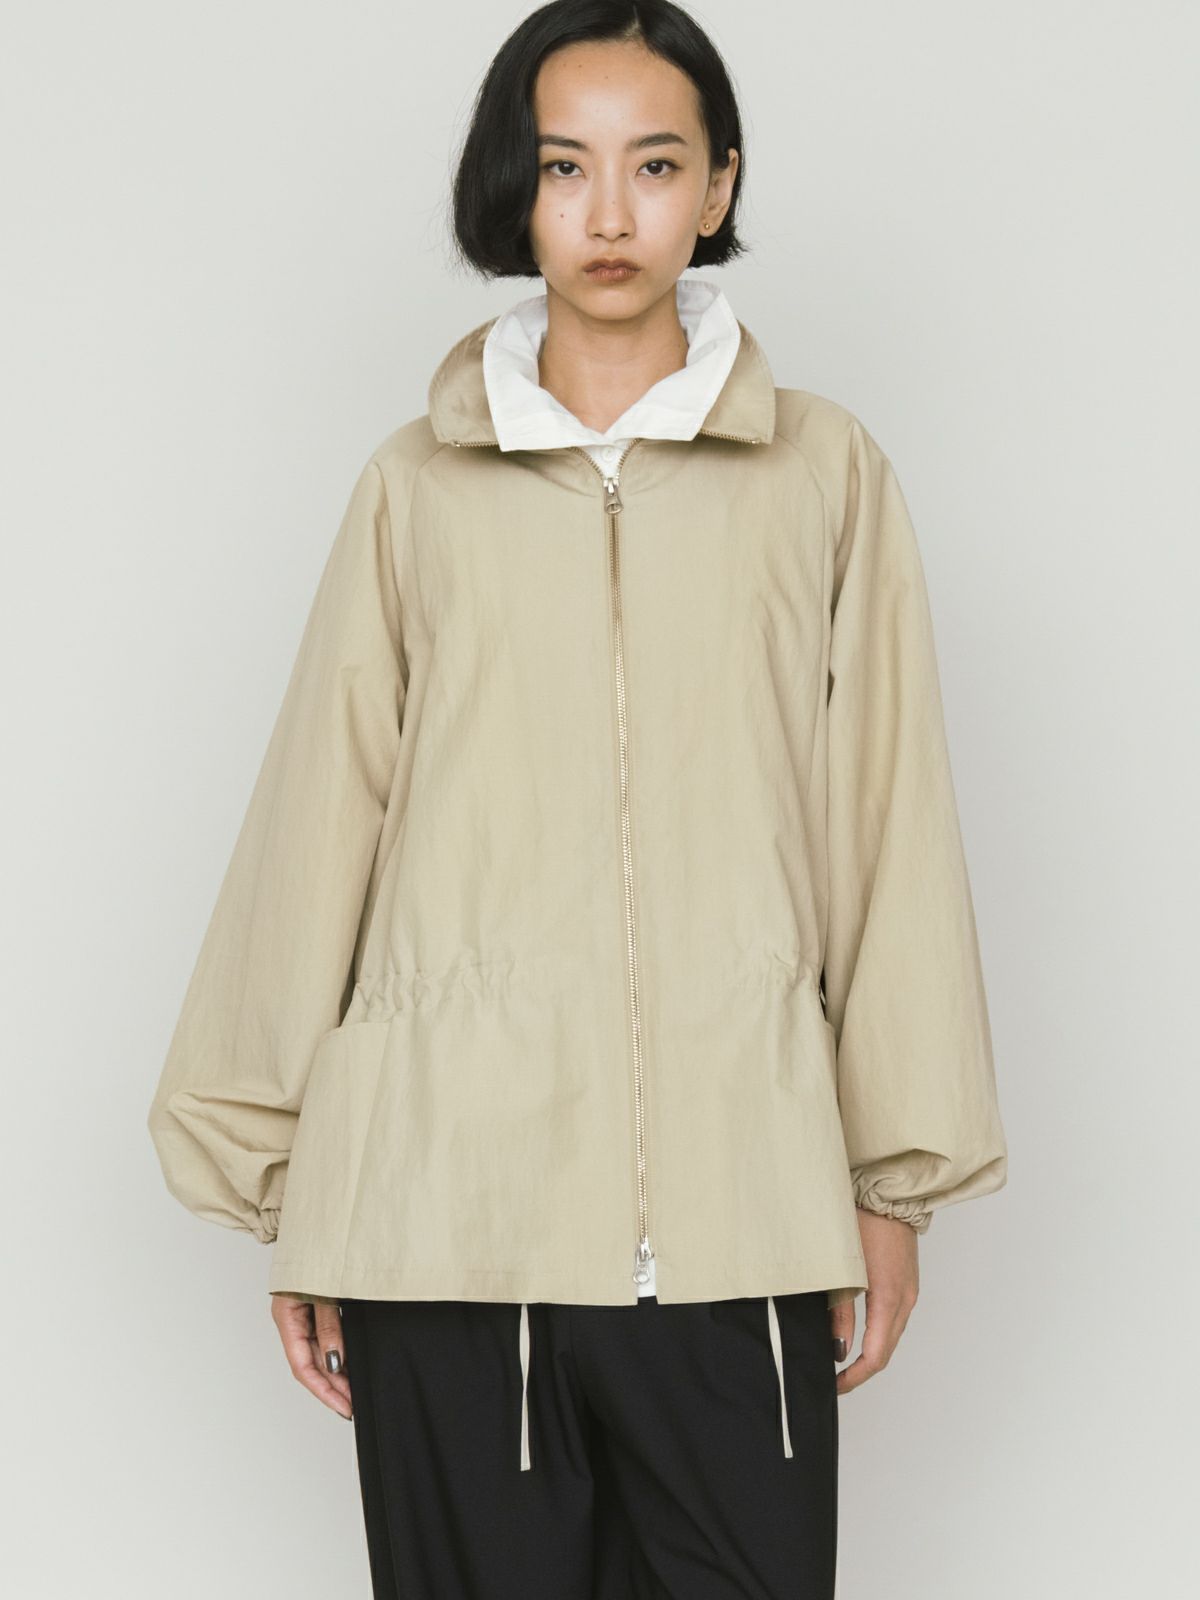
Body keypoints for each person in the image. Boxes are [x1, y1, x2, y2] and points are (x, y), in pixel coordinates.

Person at [147, 2, 1008, 1595]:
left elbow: (889, 826)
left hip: (746, 1220)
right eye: (565, 167)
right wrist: (294, 1192)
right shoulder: (416, 490)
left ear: (718, 184)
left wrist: (894, 1185)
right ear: (515, 188)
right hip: (444, 1225)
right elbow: (317, 823)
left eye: (655, 165)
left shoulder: (824, 478)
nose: (610, 213)